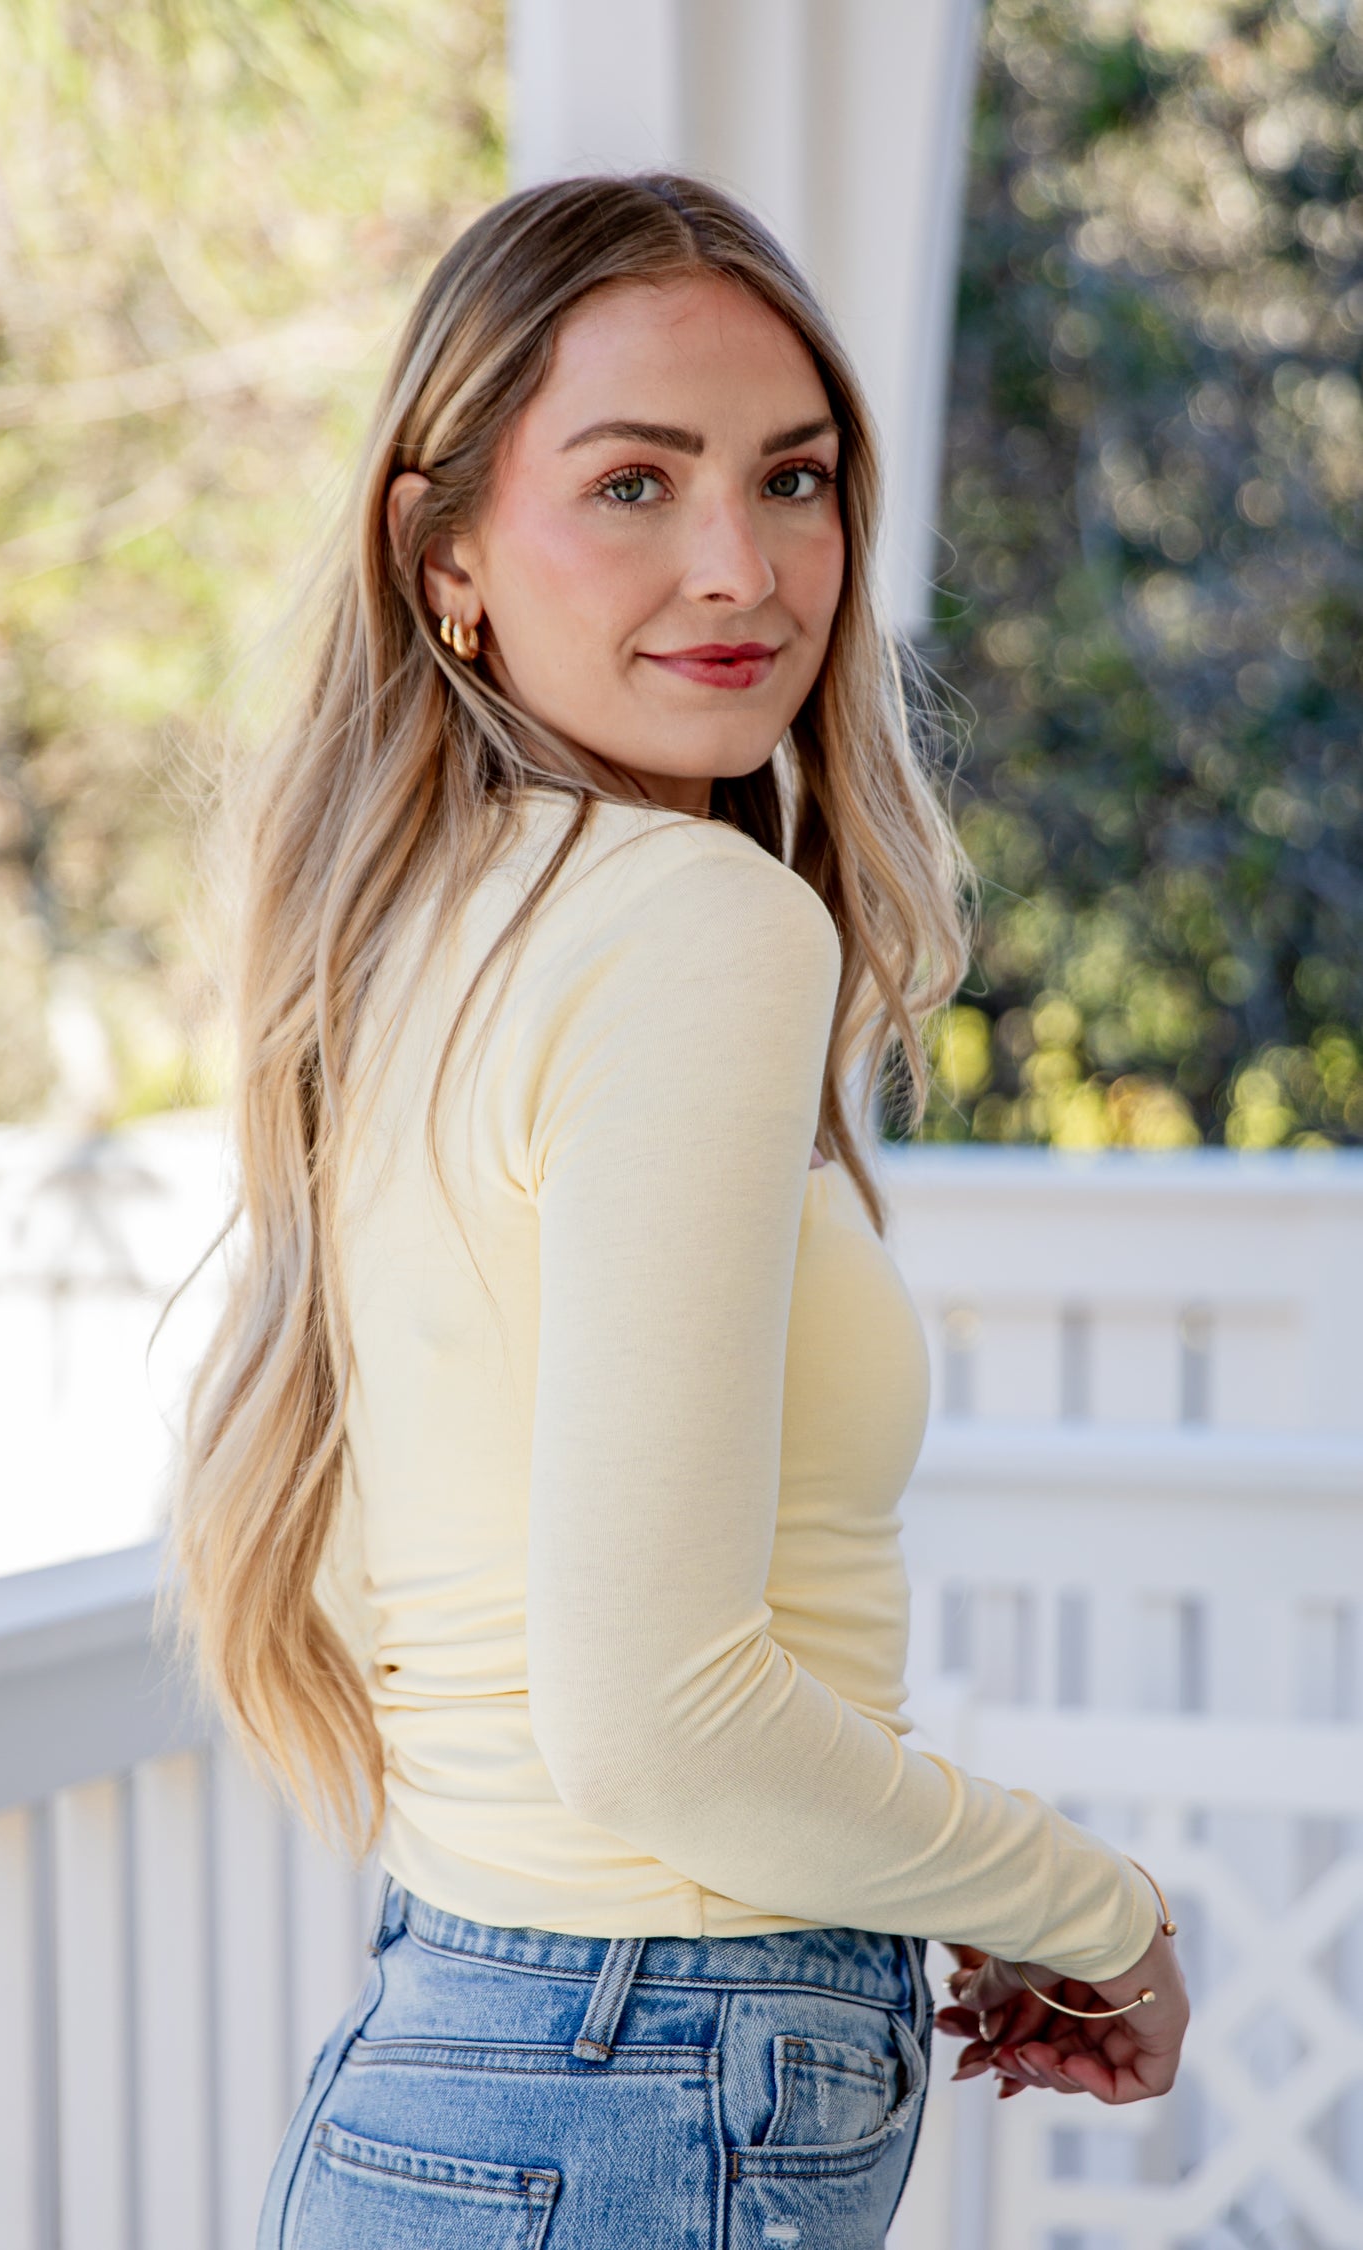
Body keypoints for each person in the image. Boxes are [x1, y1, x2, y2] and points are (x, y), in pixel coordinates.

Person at [161, 172, 1188, 2250]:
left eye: (792, 480)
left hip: (463, 2052)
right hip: (648, 2078)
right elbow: (659, 1718)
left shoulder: (425, 930)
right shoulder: (691, 923)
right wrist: (1100, 1909)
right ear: (441, 558)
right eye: (633, 484)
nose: (742, 567)